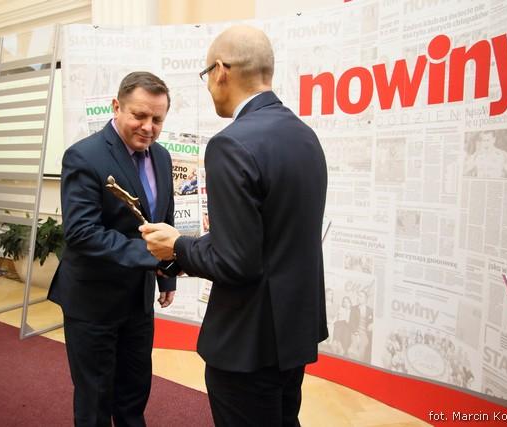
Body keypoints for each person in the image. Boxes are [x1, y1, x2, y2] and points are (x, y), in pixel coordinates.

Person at [140, 25, 328, 426]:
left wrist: (177, 246)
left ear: (221, 71)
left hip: (247, 341)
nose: (209, 86)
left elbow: (236, 261)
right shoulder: (305, 136)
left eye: (206, 75)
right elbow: (269, 237)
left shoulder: (231, 143)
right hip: (292, 331)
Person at [47, 71, 179, 427]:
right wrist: (152, 255)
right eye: (139, 115)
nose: (148, 127)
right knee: (94, 399)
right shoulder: (83, 155)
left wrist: (166, 276)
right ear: (116, 107)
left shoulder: (163, 157)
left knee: (134, 393)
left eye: (157, 119)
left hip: (138, 302)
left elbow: (163, 219)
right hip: (93, 303)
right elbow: (82, 232)